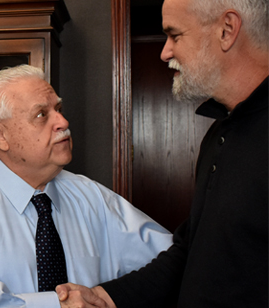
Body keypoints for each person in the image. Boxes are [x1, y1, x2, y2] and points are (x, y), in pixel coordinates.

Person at [57, 0, 268, 307]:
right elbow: (191, 251)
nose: (165, 52)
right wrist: (106, 296)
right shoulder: (220, 134)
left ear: (227, 29)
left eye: (175, 35)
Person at [0, 64, 173, 308]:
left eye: (59, 109)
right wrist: (54, 304)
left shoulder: (92, 196)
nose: (63, 122)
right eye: (42, 115)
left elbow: (173, 262)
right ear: (0, 136)